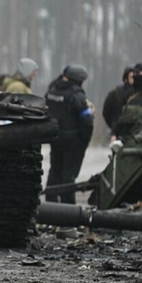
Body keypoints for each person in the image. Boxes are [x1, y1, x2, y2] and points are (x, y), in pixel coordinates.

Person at [44, 64, 93, 204]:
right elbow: (86, 121)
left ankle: (50, 204)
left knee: (54, 171)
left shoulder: (52, 90)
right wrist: (85, 140)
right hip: (72, 141)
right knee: (68, 176)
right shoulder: (77, 95)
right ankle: (68, 208)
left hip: (55, 137)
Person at [112, 63, 142, 142]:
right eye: (134, 74)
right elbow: (119, 116)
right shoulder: (128, 94)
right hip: (125, 138)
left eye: (138, 73)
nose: (136, 76)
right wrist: (114, 133)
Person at [102, 66, 134, 132]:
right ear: (126, 78)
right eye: (132, 77)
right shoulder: (115, 93)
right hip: (119, 131)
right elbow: (106, 112)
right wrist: (114, 127)